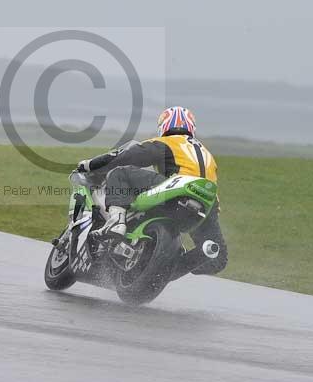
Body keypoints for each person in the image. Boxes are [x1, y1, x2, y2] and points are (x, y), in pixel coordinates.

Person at [77, 106, 227, 275]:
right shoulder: (207, 154)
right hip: (207, 201)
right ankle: (170, 267)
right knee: (217, 257)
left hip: (177, 187)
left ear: (164, 125)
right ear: (191, 127)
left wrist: (90, 164)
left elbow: (125, 156)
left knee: (120, 173)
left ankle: (117, 222)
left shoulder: (169, 142)